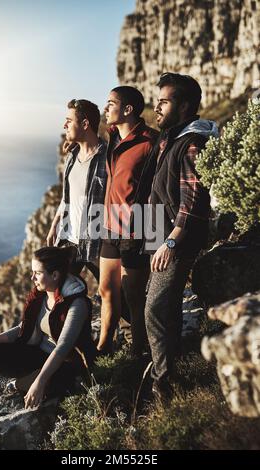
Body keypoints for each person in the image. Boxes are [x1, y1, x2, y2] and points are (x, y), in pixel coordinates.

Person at [144, 72, 219, 400]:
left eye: (164, 101)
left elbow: (194, 199)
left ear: (185, 105)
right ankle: (171, 364)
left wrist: (171, 241)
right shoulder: (172, 137)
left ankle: (165, 385)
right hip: (159, 236)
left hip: (173, 240)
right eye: (157, 101)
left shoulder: (190, 143)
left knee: (155, 309)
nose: (157, 107)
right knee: (168, 305)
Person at [0, 246, 96, 408]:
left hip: (66, 364)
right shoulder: (41, 295)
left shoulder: (76, 304)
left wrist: (40, 381)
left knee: (56, 381)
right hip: (39, 356)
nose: (32, 277)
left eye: (37, 273)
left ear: (55, 275)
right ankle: (26, 381)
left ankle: (14, 385)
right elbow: (23, 327)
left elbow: (63, 348)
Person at [97, 86, 159, 356]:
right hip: (108, 222)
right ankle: (103, 347)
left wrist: (156, 234)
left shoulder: (151, 142)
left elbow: (160, 189)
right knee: (106, 289)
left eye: (111, 103)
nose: (106, 108)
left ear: (128, 109)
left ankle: (139, 351)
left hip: (138, 226)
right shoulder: (111, 137)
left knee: (134, 295)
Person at [46, 99, 107, 283]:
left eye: (69, 120)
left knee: (116, 296)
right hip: (70, 239)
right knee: (59, 290)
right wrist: (54, 225)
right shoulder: (71, 157)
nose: (64, 125)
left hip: (97, 242)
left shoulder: (107, 157)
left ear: (85, 124)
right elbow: (67, 198)